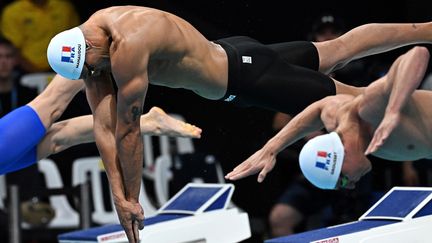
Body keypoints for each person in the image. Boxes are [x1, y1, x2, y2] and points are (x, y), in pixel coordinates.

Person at [46, 6, 432, 242]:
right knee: (339, 50)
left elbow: (127, 129)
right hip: (239, 55)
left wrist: (130, 198)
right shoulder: (96, 29)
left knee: (360, 102)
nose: (96, 75)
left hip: (246, 79)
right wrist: (120, 196)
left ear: (92, 48)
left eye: (93, 66)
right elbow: (101, 125)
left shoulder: (128, 48)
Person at [225, 46, 430, 192]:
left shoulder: (370, 112)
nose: (350, 186)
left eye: (341, 181)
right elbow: (318, 109)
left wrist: (393, 110)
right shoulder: (337, 117)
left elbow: (417, 54)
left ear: (341, 156)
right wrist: (270, 149)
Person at [1, 0, 80, 72]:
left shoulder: (65, 8)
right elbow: (11, 48)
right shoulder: (13, 12)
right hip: (26, 70)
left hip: (63, 67)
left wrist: (67, 67)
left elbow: (75, 39)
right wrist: (33, 70)